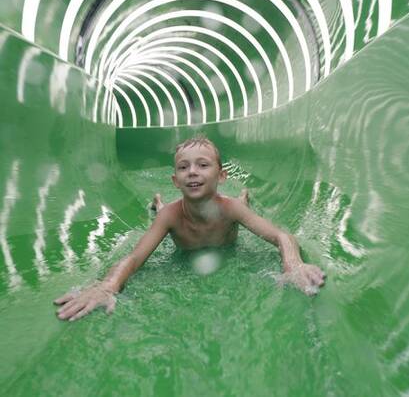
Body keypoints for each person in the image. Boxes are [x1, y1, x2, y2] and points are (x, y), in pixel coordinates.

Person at [55, 136, 325, 321]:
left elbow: (281, 236)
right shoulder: (170, 217)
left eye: (203, 165)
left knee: (240, 205)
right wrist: (108, 285)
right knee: (162, 211)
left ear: (221, 176)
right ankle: (158, 201)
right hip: (170, 212)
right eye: (183, 168)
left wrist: (293, 265)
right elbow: (135, 257)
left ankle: (244, 195)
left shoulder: (230, 209)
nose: (192, 172)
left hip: (231, 210)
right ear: (176, 180)